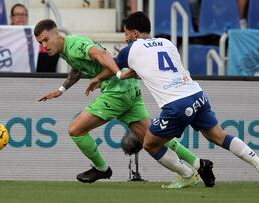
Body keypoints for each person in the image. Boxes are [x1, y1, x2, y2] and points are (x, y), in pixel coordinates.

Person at [86, 11, 259, 189]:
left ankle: (187, 175)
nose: (125, 38)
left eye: (126, 34)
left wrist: (98, 78)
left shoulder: (130, 50)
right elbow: (150, 69)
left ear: (135, 33)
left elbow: (111, 66)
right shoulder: (167, 42)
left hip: (176, 104)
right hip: (197, 95)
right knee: (219, 136)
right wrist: (125, 75)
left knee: (150, 144)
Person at [33, 19, 215, 187]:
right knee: (153, 137)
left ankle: (102, 169)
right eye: (40, 43)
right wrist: (61, 90)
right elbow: (77, 69)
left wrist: (118, 73)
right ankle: (197, 166)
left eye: (46, 40)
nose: (44, 46)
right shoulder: (66, 50)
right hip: (129, 89)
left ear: (57, 34)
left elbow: (102, 54)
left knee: (76, 130)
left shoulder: (74, 44)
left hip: (116, 92)